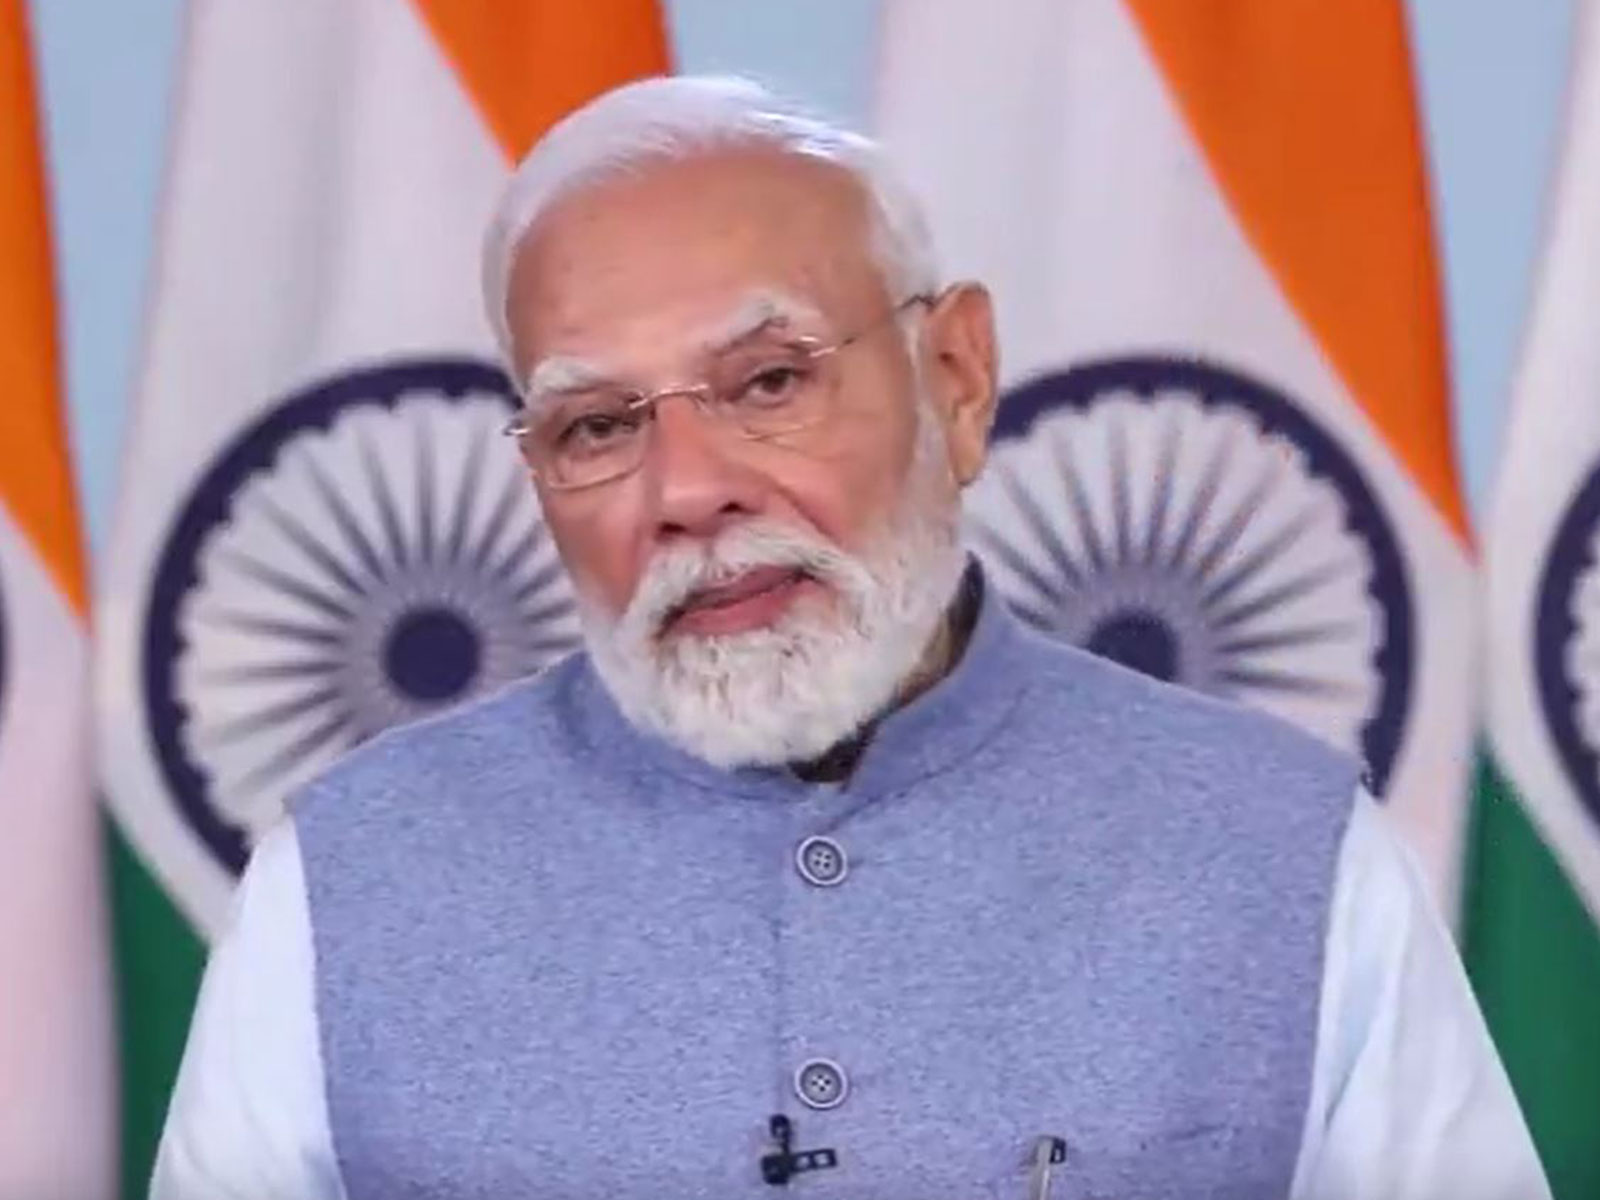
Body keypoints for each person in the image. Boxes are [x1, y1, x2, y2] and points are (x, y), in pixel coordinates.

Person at [151, 75, 1549, 1200]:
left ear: (957, 379)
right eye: (597, 425)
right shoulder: (342, 892)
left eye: (766, 382)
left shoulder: (1284, 853)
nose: (688, 490)